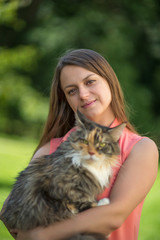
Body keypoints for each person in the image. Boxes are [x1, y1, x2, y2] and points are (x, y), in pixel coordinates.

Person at [1, 49, 158, 240]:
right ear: (65, 99)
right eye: (72, 91)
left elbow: (113, 215)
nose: (83, 95)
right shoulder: (50, 148)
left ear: (109, 81)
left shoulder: (139, 148)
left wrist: (42, 235)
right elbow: (9, 213)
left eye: (90, 82)